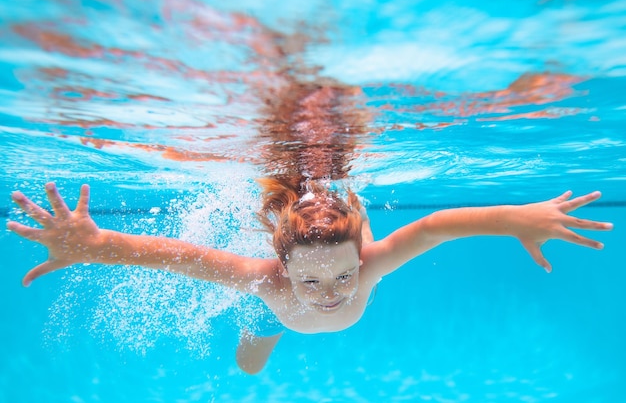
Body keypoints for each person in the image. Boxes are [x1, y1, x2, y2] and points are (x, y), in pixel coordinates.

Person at [7, 180, 613, 373]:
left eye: (343, 276)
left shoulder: (371, 260)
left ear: (362, 257)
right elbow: (177, 257)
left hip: (312, 273)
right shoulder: (265, 281)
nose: (332, 296)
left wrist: (519, 219)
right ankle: (256, 330)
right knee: (249, 363)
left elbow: (435, 227)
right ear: (285, 269)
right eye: (312, 283)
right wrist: (98, 244)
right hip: (271, 317)